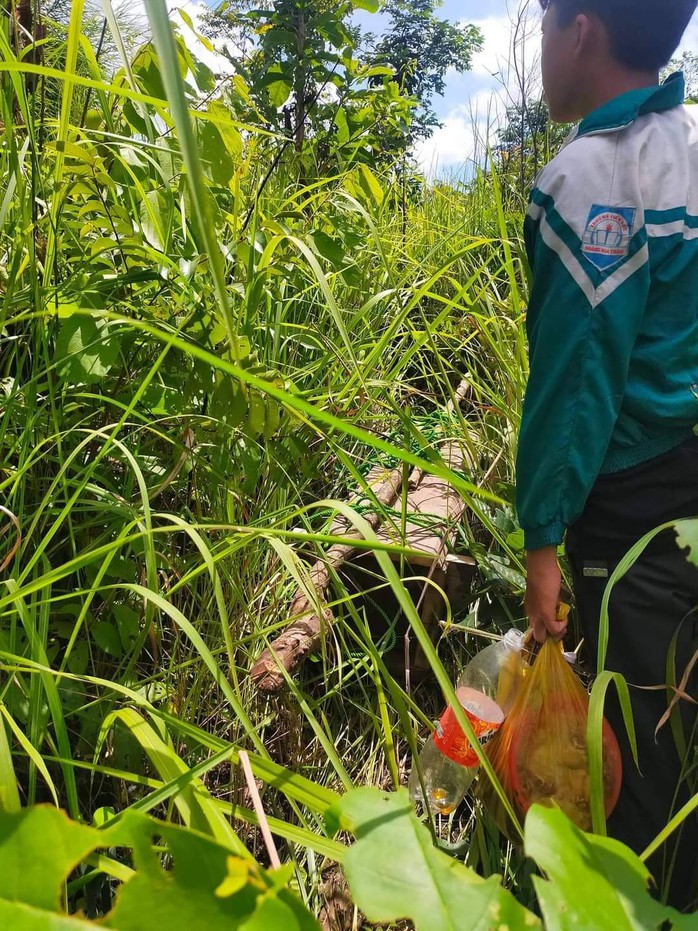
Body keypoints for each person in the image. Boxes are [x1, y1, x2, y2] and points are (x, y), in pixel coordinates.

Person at [516, 0, 698, 910]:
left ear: (580, 28)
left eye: (546, 19)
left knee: (643, 746)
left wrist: (542, 535)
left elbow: (574, 385)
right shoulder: (688, 151)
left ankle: (649, 904)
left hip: (630, 513)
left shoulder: (589, 175)